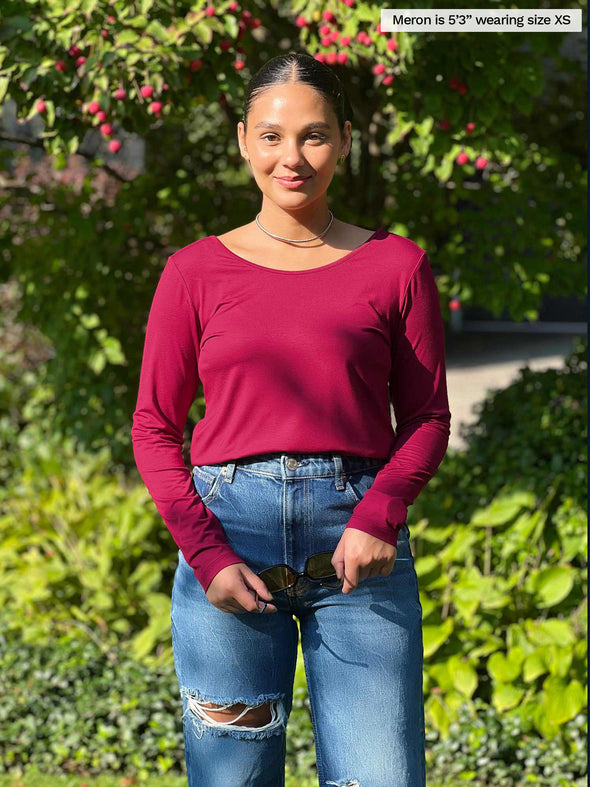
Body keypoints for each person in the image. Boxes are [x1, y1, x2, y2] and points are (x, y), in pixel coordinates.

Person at [131, 51, 451, 787]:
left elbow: (428, 415)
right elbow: (154, 425)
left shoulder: (396, 265)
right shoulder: (194, 272)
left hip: (361, 548)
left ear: (344, 139)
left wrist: (381, 514)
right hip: (228, 541)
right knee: (231, 779)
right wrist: (205, 554)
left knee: (379, 777)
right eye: (272, 136)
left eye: (313, 135)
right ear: (244, 140)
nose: (292, 157)